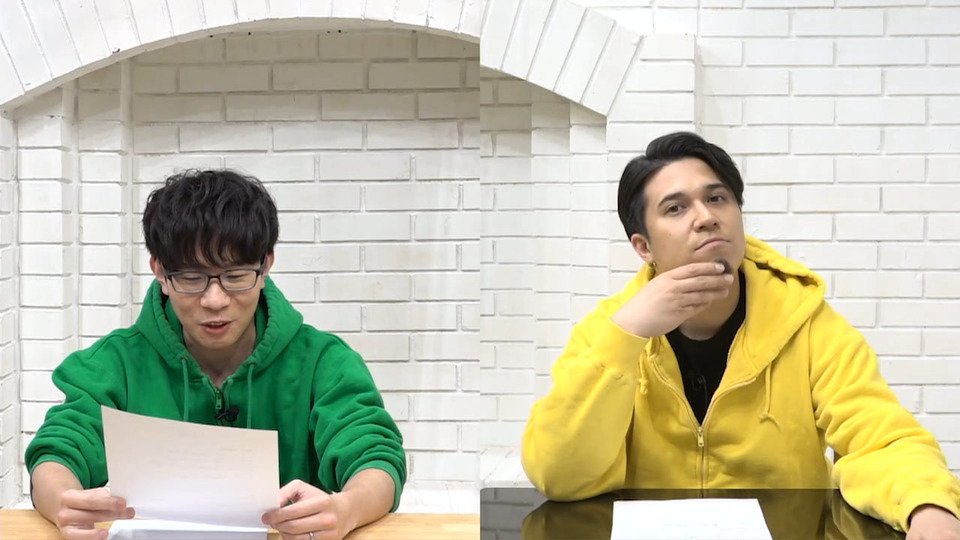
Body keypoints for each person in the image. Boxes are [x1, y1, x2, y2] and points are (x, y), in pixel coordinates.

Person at [521, 132, 960, 539]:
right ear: (644, 247)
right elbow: (559, 474)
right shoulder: (608, 330)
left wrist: (926, 503)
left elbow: (878, 438)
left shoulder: (806, 323)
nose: (706, 217)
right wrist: (628, 335)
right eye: (676, 208)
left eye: (717, 198)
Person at [25, 169, 406, 540]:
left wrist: (347, 508)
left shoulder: (323, 362)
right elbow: (58, 450)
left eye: (235, 276)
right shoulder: (115, 363)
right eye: (191, 278)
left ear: (266, 266)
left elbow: (375, 457)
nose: (215, 300)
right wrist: (62, 501)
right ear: (159, 271)